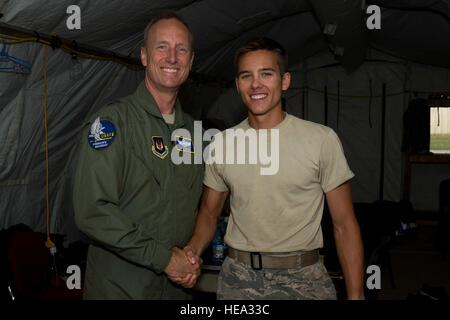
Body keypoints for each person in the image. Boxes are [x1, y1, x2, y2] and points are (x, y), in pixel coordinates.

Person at [175, 37, 365, 300]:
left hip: (304, 281)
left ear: (284, 81)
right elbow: (209, 213)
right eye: (246, 76)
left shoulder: (321, 140)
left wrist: (356, 294)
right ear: (237, 85)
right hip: (238, 281)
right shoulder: (222, 143)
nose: (256, 84)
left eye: (266, 74)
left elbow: (344, 224)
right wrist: (193, 251)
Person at [73, 11, 203, 299]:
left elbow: (201, 207)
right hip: (120, 290)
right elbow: (92, 212)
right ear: (144, 56)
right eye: (162, 47)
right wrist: (164, 258)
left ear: (191, 61)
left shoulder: (194, 133)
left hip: (176, 290)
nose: (172, 57)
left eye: (181, 49)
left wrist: (192, 255)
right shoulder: (111, 123)